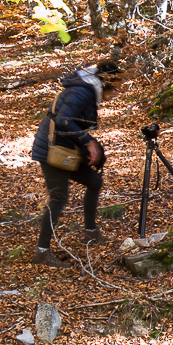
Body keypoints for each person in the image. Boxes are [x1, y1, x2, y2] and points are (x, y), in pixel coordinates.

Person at [29, 59, 124, 266]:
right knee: (58, 197)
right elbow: (63, 120)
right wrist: (88, 141)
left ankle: (91, 232)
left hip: (67, 149)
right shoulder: (81, 92)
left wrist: (91, 147)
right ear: (104, 82)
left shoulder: (88, 91)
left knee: (94, 182)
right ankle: (42, 252)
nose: (117, 92)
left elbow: (74, 125)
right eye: (115, 87)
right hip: (53, 150)